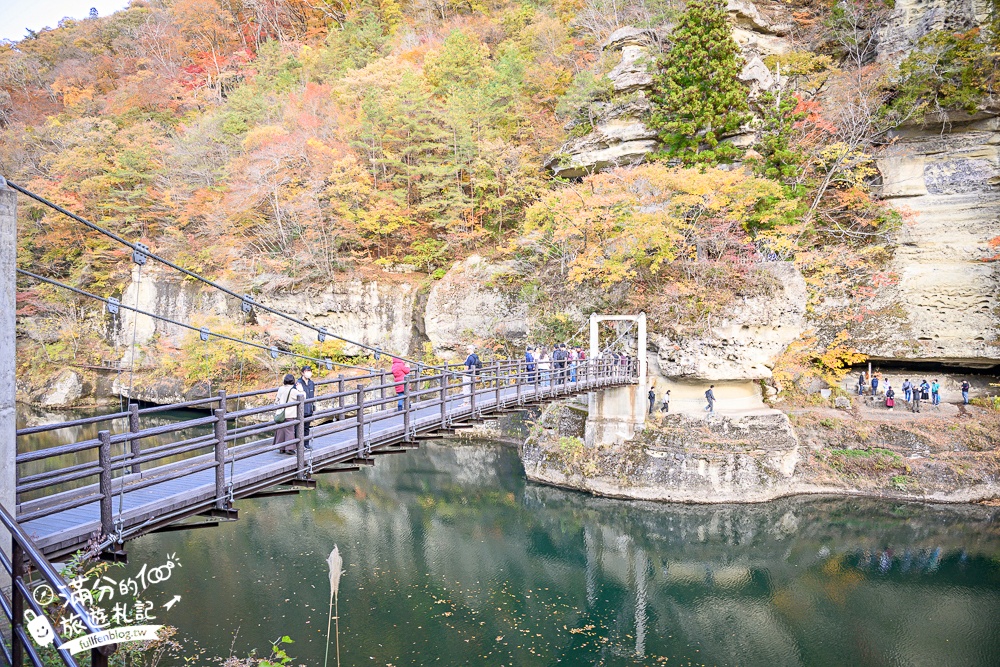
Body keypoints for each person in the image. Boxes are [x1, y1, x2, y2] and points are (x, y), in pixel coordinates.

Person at [275, 374, 305, 454]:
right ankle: (289, 448)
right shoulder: (293, 391)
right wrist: (301, 390)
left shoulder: (280, 389)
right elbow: (303, 397)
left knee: (281, 430)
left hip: (280, 412)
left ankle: (281, 448)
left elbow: (277, 400)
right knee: (289, 431)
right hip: (289, 413)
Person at [295, 365, 316, 448]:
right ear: (302, 373)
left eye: (309, 371)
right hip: (301, 409)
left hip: (309, 408)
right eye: (307, 371)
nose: (308, 373)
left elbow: (312, 395)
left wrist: (313, 406)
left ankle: (306, 444)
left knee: (307, 427)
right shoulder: (298, 383)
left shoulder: (311, 383)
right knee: (299, 427)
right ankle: (298, 444)